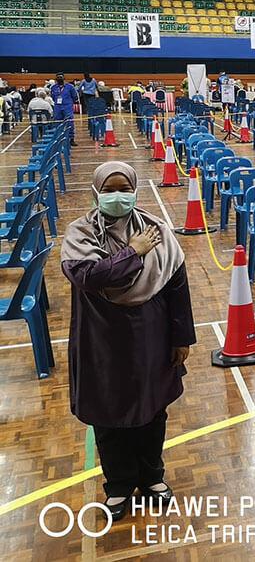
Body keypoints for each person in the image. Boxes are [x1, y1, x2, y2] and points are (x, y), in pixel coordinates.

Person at [61, 162, 195, 520]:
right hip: (101, 342)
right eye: (109, 189)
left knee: (153, 411)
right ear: (96, 192)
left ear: (135, 190)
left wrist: (181, 337)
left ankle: (152, 477)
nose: (117, 196)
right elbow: (89, 276)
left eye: (124, 188)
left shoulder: (157, 232)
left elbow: (177, 286)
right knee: (108, 417)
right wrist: (133, 252)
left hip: (150, 337)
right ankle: (118, 485)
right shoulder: (80, 234)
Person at [50, 72, 78, 144]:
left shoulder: (70, 87)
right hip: (57, 107)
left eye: (61, 77)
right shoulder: (53, 88)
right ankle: (58, 139)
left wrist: (69, 102)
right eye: (58, 78)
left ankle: (71, 139)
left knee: (69, 122)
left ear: (64, 78)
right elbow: (53, 97)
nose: (59, 79)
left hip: (67, 106)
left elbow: (74, 96)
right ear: (56, 79)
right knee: (57, 122)